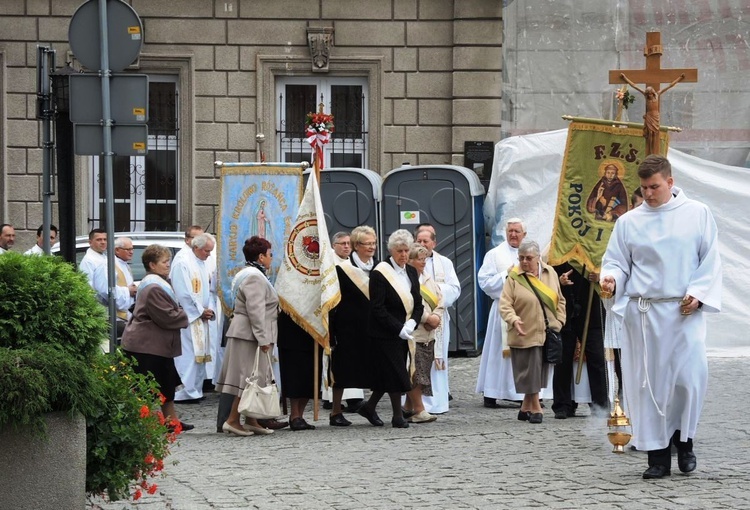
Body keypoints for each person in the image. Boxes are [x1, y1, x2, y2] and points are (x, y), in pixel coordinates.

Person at [600, 154, 721, 479]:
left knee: (688, 379)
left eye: (655, 186)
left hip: (684, 312)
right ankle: (656, 455)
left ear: (670, 182)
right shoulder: (629, 222)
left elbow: (710, 259)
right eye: (644, 188)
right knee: (648, 385)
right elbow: (616, 262)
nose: (649, 193)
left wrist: (698, 293)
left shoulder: (697, 214)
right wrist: (611, 278)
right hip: (645, 315)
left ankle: (685, 442)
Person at [121, 244, 193, 431]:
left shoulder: (156, 282)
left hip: (154, 344)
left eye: (168, 261)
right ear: (152, 265)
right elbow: (166, 316)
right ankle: (139, 423)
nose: (168, 265)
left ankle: (171, 420)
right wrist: (185, 314)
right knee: (146, 387)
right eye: (164, 262)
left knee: (166, 383)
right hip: (147, 345)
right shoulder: (154, 286)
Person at [356, 229, 423, 428]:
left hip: (405, 330)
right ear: (391, 251)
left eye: (406, 251)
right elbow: (377, 307)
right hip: (383, 332)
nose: (403, 255)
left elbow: (418, 303)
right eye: (399, 251)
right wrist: (398, 328)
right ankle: (397, 416)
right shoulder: (380, 272)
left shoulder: (411, 271)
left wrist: (412, 322)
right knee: (397, 372)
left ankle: (369, 407)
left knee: (389, 373)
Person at [215, 236, 278, 437]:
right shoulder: (254, 277)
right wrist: (263, 338)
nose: (271, 258)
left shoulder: (252, 274)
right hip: (249, 335)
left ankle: (251, 419)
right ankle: (232, 420)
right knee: (247, 379)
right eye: (269, 255)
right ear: (261, 257)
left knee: (255, 377)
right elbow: (255, 310)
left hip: (247, 333)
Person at [500, 240, 566, 424]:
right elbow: (505, 304)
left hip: (546, 331)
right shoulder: (513, 277)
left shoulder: (550, 272)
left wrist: (559, 322)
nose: (524, 261)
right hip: (523, 331)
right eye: (521, 258)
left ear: (538, 258)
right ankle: (536, 407)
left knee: (540, 369)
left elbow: (560, 300)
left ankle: (525, 407)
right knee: (530, 371)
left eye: (529, 258)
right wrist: (514, 319)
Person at [476, 217, 528, 408]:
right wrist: (506, 274)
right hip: (502, 311)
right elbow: (485, 283)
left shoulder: (531, 254)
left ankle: (525, 393)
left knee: (525, 353)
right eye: (510, 231)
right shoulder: (494, 255)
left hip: (525, 312)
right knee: (499, 353)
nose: (513, 234)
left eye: (517, 231)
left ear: (524, 234)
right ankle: (493, 391)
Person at [327, 226, 376, 426]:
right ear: (357, 246)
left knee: (379, 368)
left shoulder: (379, 266)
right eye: (368, 244)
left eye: (374, 243)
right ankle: (336, 411)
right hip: (347, 326)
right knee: (343, 370)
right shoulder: (342, 269)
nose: (372, 247)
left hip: (373, 325)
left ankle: (372, 407)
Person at [414, 224, 460, 414]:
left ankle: (437, 403)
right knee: (416, 361)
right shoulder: (409, 261)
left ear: (434, 242)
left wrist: (436, 292)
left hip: (438, 318)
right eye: (419, 240)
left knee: (436, 361)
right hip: (417, 319)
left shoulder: (445, 263)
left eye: (426, 241)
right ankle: (416, 403)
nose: (423, 244)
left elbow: (455, 289)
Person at [552, 263, 607, 419]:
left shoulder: (596, 251)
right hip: (566, 310)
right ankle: (562, 404)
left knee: (597, 358)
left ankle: (601, 405)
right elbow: (547, 277)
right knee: (563, 359)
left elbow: (614, 275)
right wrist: (559, 282)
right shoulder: (560, 249)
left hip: (592, 310)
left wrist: (600, 277)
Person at [171, 232, 216, 403]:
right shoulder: (183, 261)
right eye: (206, 251)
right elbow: (183, 292)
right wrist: (199, 311)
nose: (209, 255)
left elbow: (208, 289)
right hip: (189, 318)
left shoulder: (200, 261)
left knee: (200, 355)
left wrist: (208, 309)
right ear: (196, 247)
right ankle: (185, 391)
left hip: (201, 315)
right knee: (188, 354)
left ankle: (195, 389)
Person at [403, 243, 442, 424]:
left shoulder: (427, 278)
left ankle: (407, 408)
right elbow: (409, 305)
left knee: (423, 372)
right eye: (419, 259)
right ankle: (419, 410)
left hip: (429, 334)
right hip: (415, 333)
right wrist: (427, 319)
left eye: (425, 258)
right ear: (410, 260)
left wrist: (436, 316)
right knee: (415, 373)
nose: (423, 262)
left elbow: (439, 299)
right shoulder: (405, 280)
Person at [620, 73, 685, 156]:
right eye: (648, 94)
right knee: (649, 134)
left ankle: (654, 151)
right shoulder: (645, 96)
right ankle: (649, 150)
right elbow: (634, 86)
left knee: (655, 133)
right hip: (649, 116)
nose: (649, 95)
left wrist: (679, 78)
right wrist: (625, 78)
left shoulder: (657, 95)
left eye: (650, 93)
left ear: (653, 93)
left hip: (655, 116)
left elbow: (669, 86)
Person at [92, 237, 138, 338]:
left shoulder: (125, 265)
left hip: (126, 315)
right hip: (114, 317)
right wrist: (127, 291)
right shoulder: (107, 265)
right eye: (128, 249)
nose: (131, 252)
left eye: (132, 249)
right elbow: (105, 290)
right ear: (117, 250)